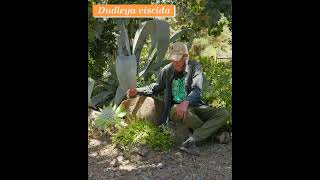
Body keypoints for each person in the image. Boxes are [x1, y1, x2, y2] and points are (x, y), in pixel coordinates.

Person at [126, 42, 230, 156]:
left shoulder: (195, 67)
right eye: (172, 59)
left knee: (224, 113)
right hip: (176, 109)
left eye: (178, 59)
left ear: (186, 57)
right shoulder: (166, 70)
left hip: (195, 105)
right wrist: (138, 90)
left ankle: (195, 138)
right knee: (183, 112)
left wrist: (186, 102)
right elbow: (157, 87)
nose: (175, 63)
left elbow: (197, 90)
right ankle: (211, 136)